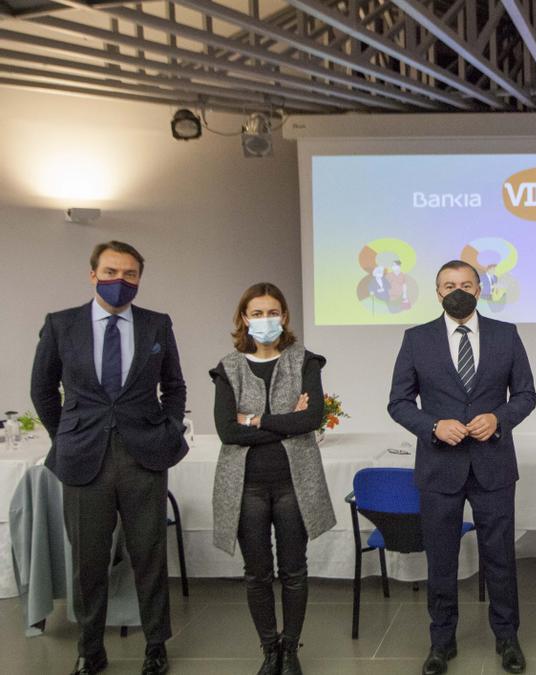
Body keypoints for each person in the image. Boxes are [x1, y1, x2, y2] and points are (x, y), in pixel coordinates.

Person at [30, 241, 188, 675]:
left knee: (149, 557)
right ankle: (90, 648)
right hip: (84, 457)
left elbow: (175, 386)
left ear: (139, 278)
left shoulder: (157, 324)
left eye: (131, 274)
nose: (121, 281)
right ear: (93, 273)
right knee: (88, 562)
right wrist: (64, 435)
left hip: (143, 455)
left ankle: (156, 645)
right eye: (112, 271)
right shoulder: (62, 325)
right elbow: (42, 390)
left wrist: (168, 428)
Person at [388, 260, 536, 675]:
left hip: (493, 464)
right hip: (440, 467)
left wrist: (499, 419)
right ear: (437, 292)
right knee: (441, 558)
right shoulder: (416, 339)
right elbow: (399, 402)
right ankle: (441, 642)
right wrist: (433, 426)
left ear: (479, 289)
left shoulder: (505, 335)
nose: (458, 290)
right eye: (449, 284)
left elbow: (526, 394)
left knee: (500, 558)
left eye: (466, 284)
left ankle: (507, 638)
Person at [210, 283, 336, 675]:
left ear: (284, 317)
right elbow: (227, 432)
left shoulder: (305, 361)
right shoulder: (228, 367)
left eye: (273, 312)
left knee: (294, 570)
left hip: (294, 483)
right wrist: (286, 423)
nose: (266, 320)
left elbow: (311, 419)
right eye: (258, 313)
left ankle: (291, 648)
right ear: (244, 319)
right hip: (245, 486)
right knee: (256, 572)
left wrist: (254, 419)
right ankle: (269, 649)